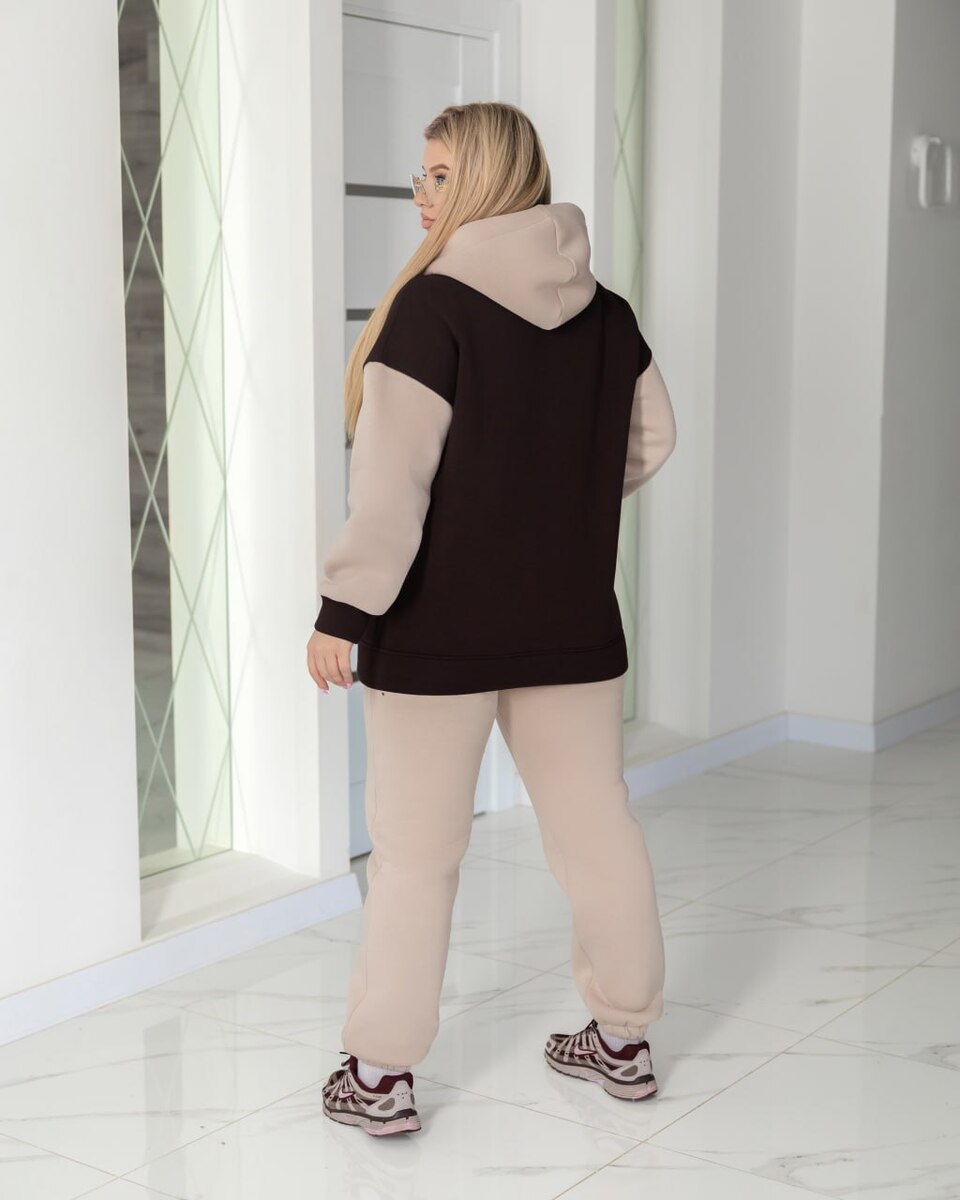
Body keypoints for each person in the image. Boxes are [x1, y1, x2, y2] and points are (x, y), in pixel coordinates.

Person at [306, 101, 677, 1137]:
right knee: (597, 830)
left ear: (483, 180)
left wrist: (344, 609)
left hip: (436, 632)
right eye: (420, 175)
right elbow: (652, 438)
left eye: (438, 175)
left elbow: (392, 486)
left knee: (417, 856)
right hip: (572, 623)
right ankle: (625, 1040)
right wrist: (555, 516)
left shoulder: (433, 309)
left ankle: (379, 1076)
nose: (419, 195)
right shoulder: (609, 315)